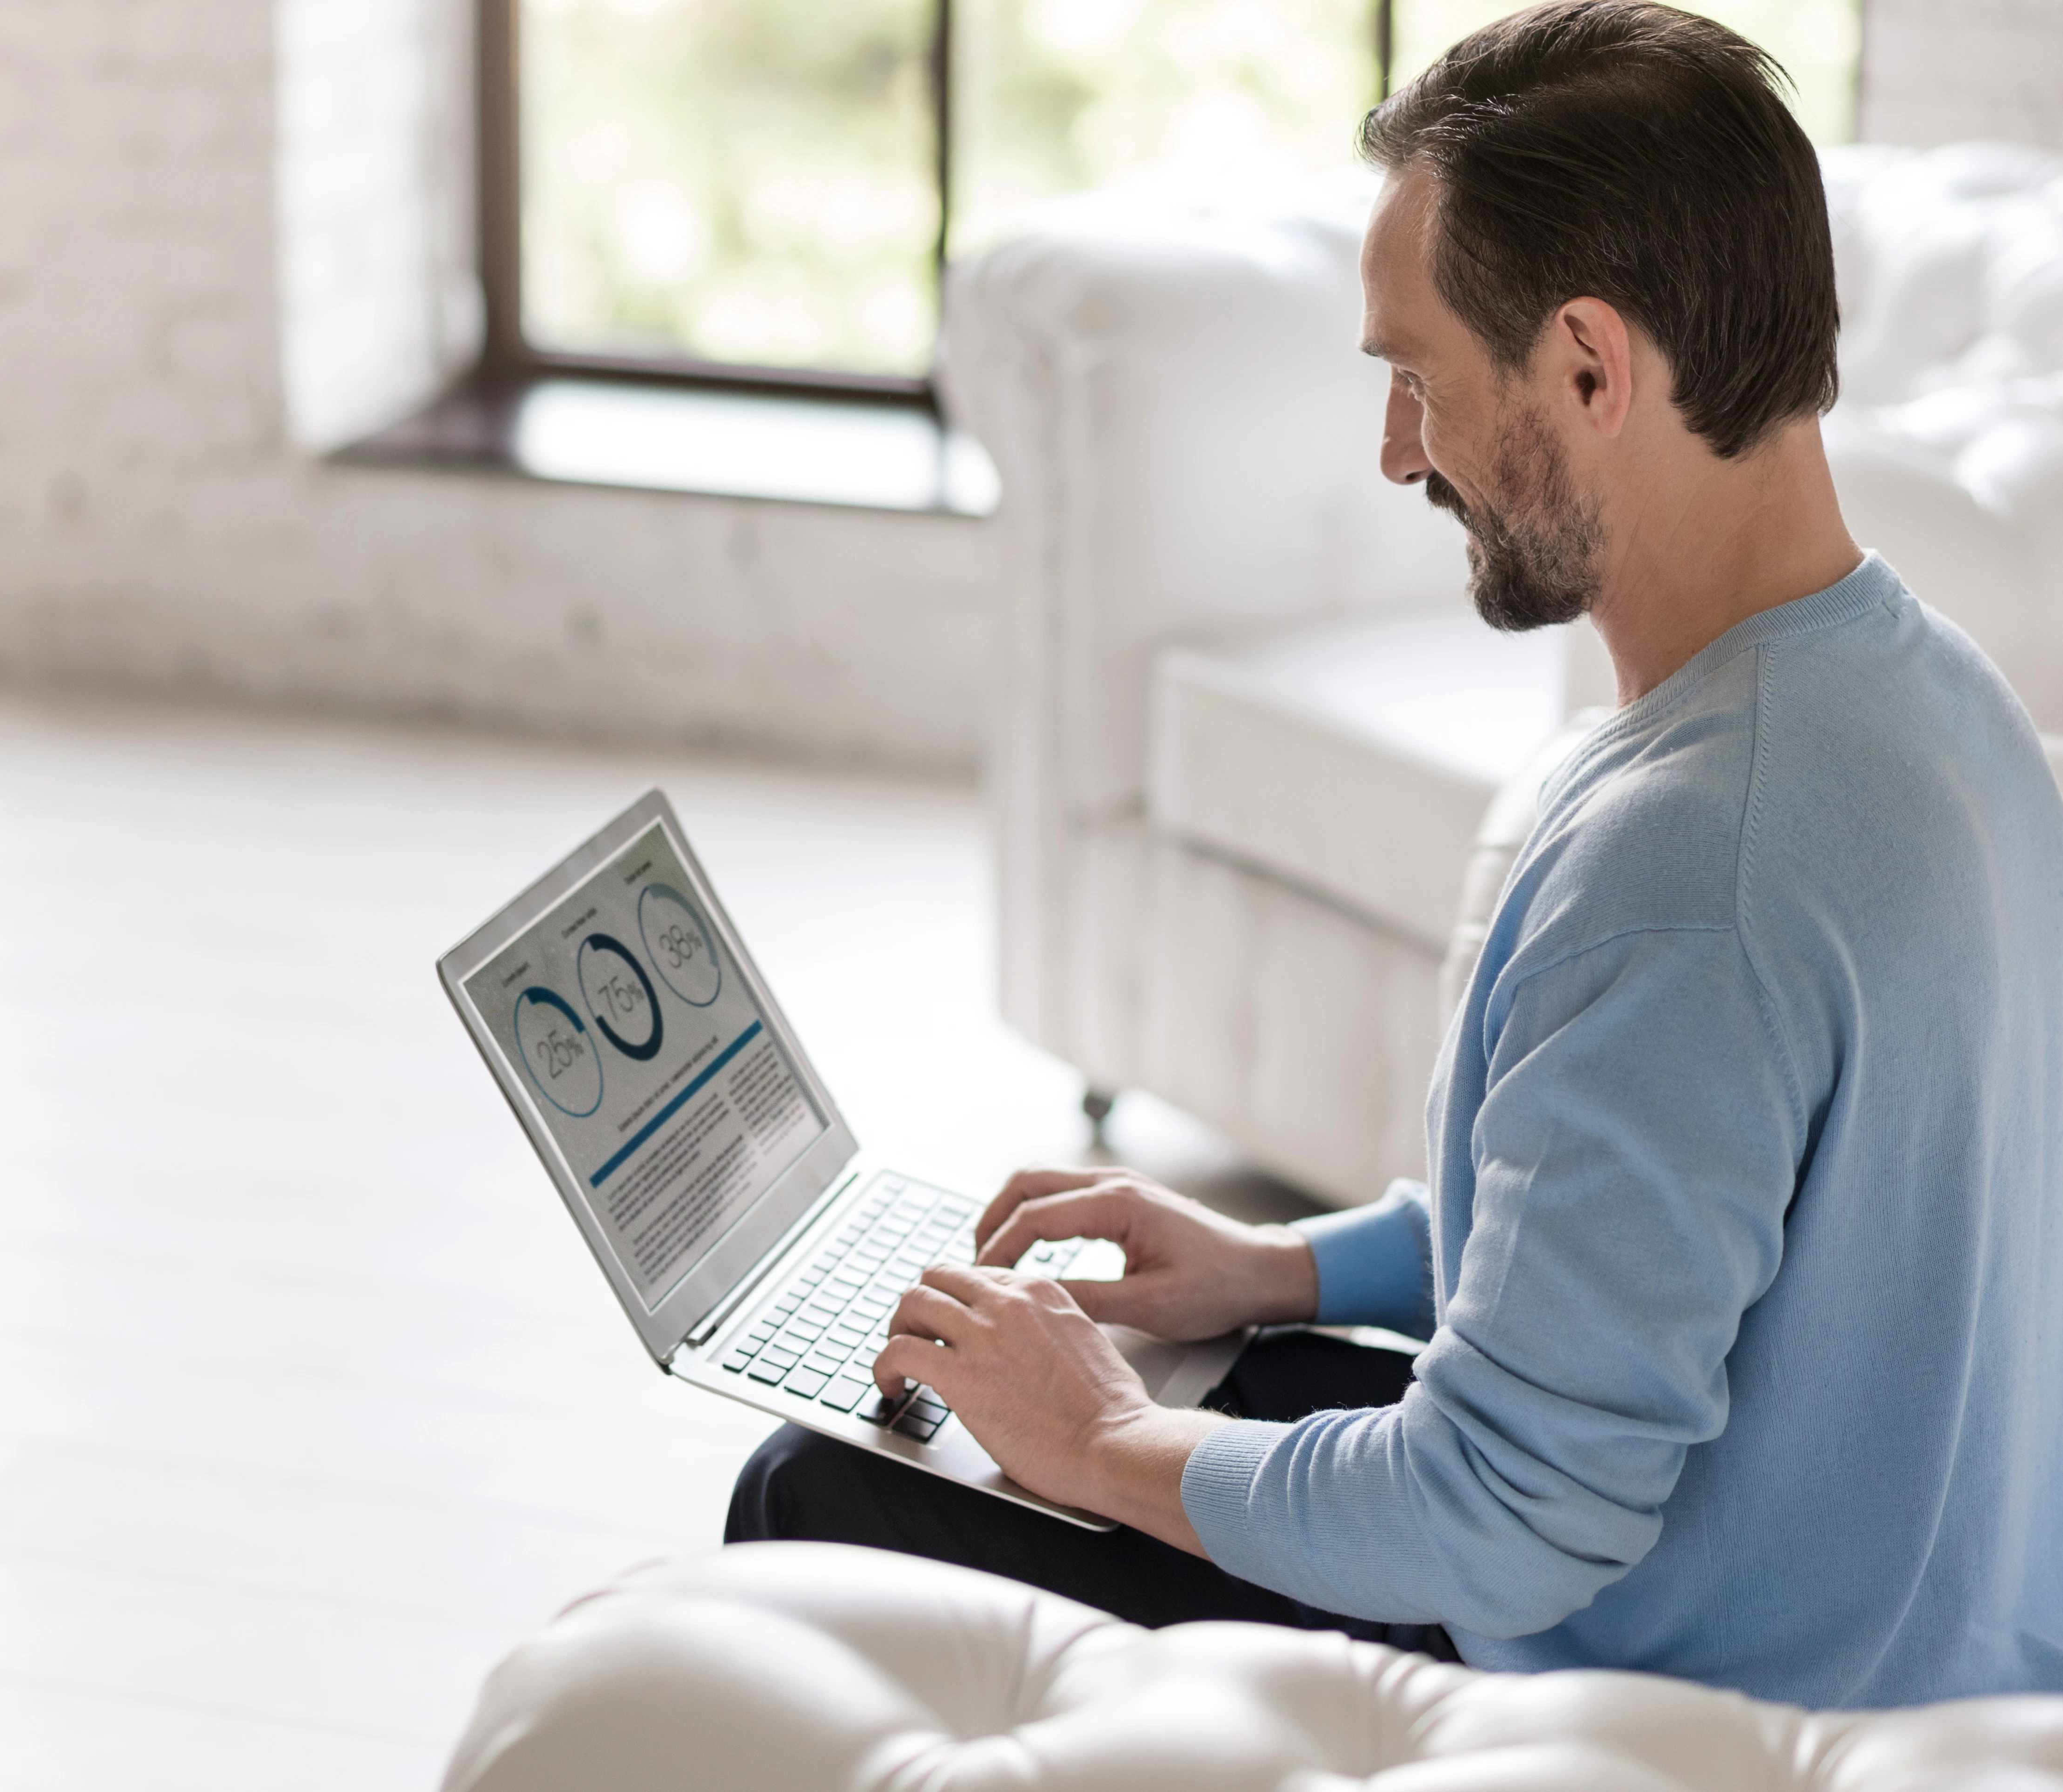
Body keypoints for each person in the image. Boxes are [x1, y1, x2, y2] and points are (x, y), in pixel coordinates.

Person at [728, 0, 2063, 1709]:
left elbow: (1503, 1519)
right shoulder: (1945, 706)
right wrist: (1281, 1266)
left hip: (1687, 1689)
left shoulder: (1696, 863)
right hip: (1908, 1616)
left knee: (817, 1488)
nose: (1396, 450)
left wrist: (1104, 1438)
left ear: (1592, 366)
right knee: (1242, 1369)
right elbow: (1690, 1236)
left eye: (1419, 377)